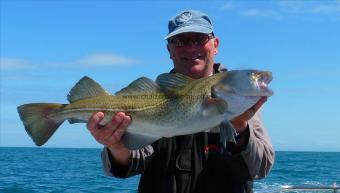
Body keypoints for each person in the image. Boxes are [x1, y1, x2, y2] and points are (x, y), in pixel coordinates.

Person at [87, 10, 274, 193]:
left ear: (215, 45)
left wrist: (240, 128)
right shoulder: (152, 97)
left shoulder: (238, 97)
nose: (191, 48)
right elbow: (133, 161)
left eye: (199, 39)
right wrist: (115, 145)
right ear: (169, 49)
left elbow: (259, 169)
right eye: (180, 41)